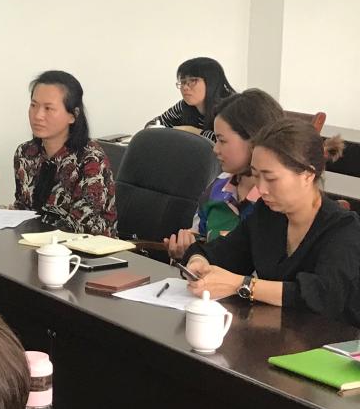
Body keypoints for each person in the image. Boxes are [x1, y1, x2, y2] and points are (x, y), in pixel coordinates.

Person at [184, 118, 360, 324]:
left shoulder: (343, 228)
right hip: (277, 333)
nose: (261, 189)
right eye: (256, 176)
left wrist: (242, 285)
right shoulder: (267, 214)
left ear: (308, 174)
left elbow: (323, 296)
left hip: (334, 339)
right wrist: (199, 262)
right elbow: (221, 252)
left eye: (271, 178)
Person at [166, 89, 284, 259]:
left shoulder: (278, 201)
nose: (215, 149)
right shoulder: (218, 187)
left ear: (254, 140)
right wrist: (187, 251)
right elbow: (200, 238)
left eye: (222, 140)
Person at [13, 71, 116, 236]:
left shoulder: (91, 159)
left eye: (48, 108)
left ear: (73, 116)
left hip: (84, 248)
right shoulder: (25, 153)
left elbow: (82, 227)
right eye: (33, 105)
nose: (38, 115)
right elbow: (23, 208)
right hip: (33, 243)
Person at [147, 57, 235, 142]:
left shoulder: (232, 106)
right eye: (183, 82)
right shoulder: (183, 105)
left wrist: (193, 131)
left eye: (193, 81)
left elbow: (227, 141)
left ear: (211, 82)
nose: (185, 87)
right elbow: (153, 125)